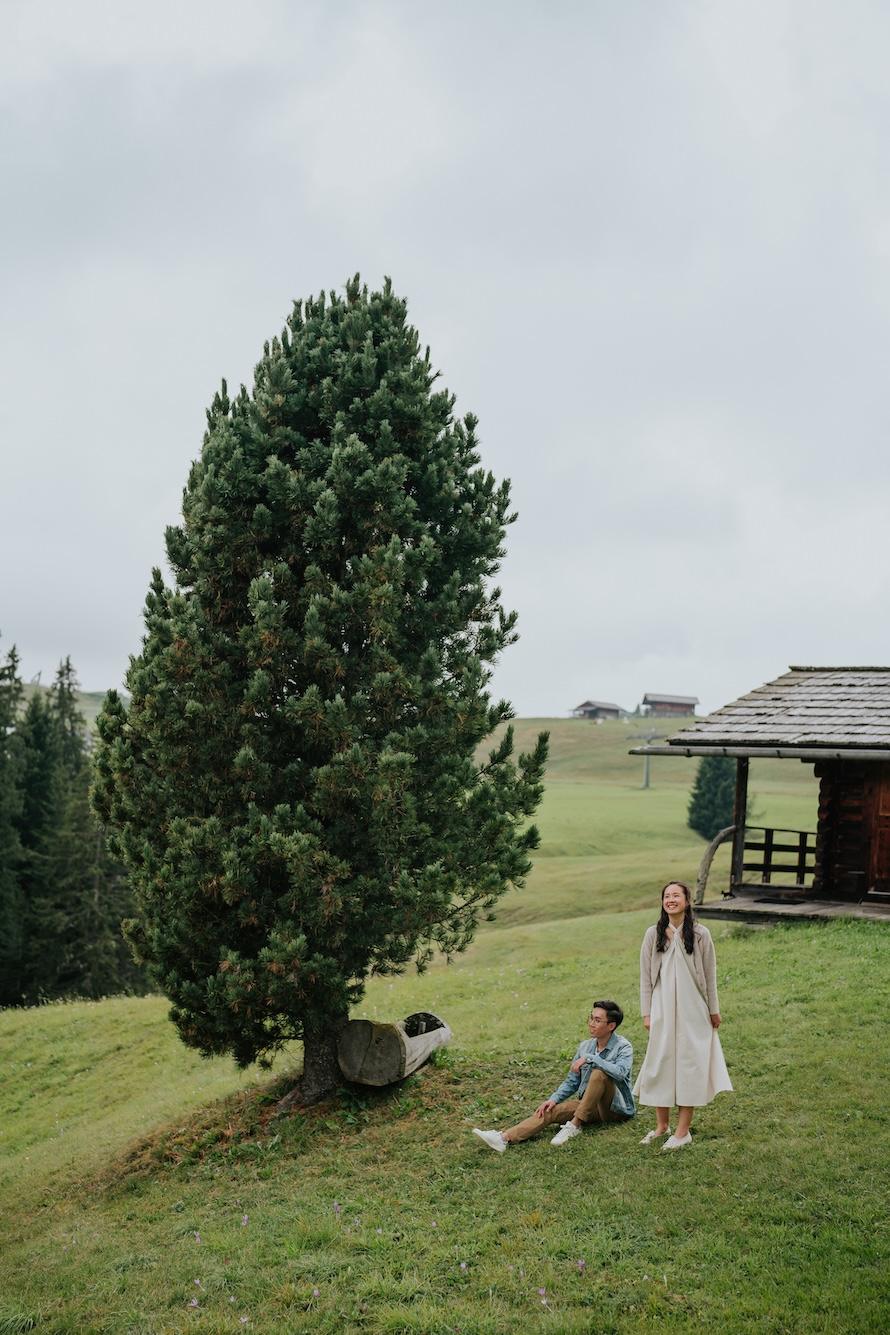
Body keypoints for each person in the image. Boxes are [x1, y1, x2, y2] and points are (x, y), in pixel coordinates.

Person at [634, 881, 732, 1150]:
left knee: (690, 1065)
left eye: (676, 895)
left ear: (687, 901)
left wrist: (713, 1010)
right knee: (660, 1062)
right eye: (667, 896)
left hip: (693, 1011)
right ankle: (661, 1126)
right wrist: (647, 1013)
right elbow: (645, 978)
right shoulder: (653, 934)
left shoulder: (701, 934)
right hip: (662, 1009)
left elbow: (710, 976)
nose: (671, 899)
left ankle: (682, 1131)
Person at [471, 1000, 634, 1153]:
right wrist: (553, 1099)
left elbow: (620, 1072)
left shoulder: (623, 1047)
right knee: (551, 1110)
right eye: (591, 1018)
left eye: (597, 1020)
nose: (591, 1023)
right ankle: (503, 1138)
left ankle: (575, 1125)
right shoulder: (585, 1046)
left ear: (611, 1025)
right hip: (589, 1106)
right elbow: (572, 1081)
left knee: (599, 1073)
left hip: (615, 1109)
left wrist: (591, 1059)